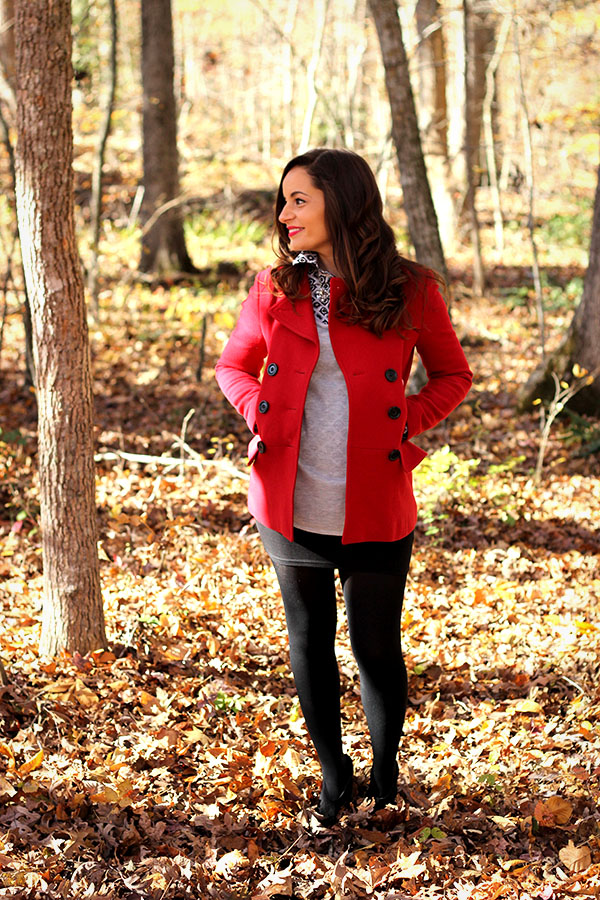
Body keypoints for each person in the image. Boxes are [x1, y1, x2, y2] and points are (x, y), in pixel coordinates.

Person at [215, 148, 472, 826]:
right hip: (287, 496)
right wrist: (258, 411)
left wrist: (407, 423)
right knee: (308, 641)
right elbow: (233, 366)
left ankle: (385, 775)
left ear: (342, 199)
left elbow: (452, 374)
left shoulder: (411, 286)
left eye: (299, 198)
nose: (284, 213)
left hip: (374, 496)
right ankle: (334, 777)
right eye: (283, 199)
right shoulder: (274, 286)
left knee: (375, 645)